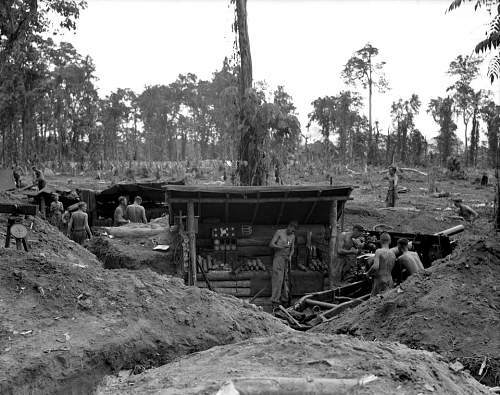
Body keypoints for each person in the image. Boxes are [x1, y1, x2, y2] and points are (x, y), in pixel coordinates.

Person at [269, 220, 297, 308]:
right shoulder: (279, 232)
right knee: (278, 279)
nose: (291, 232)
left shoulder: (293, 236)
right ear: (288, 226)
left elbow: (292, 249)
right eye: (291, 229)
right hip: (278, 258)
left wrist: (290, 256)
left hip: (286, 260)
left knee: (286, 280)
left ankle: (285, 299)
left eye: (293, 231)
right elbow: (271, 244)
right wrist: (281, 247)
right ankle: (275, 300)